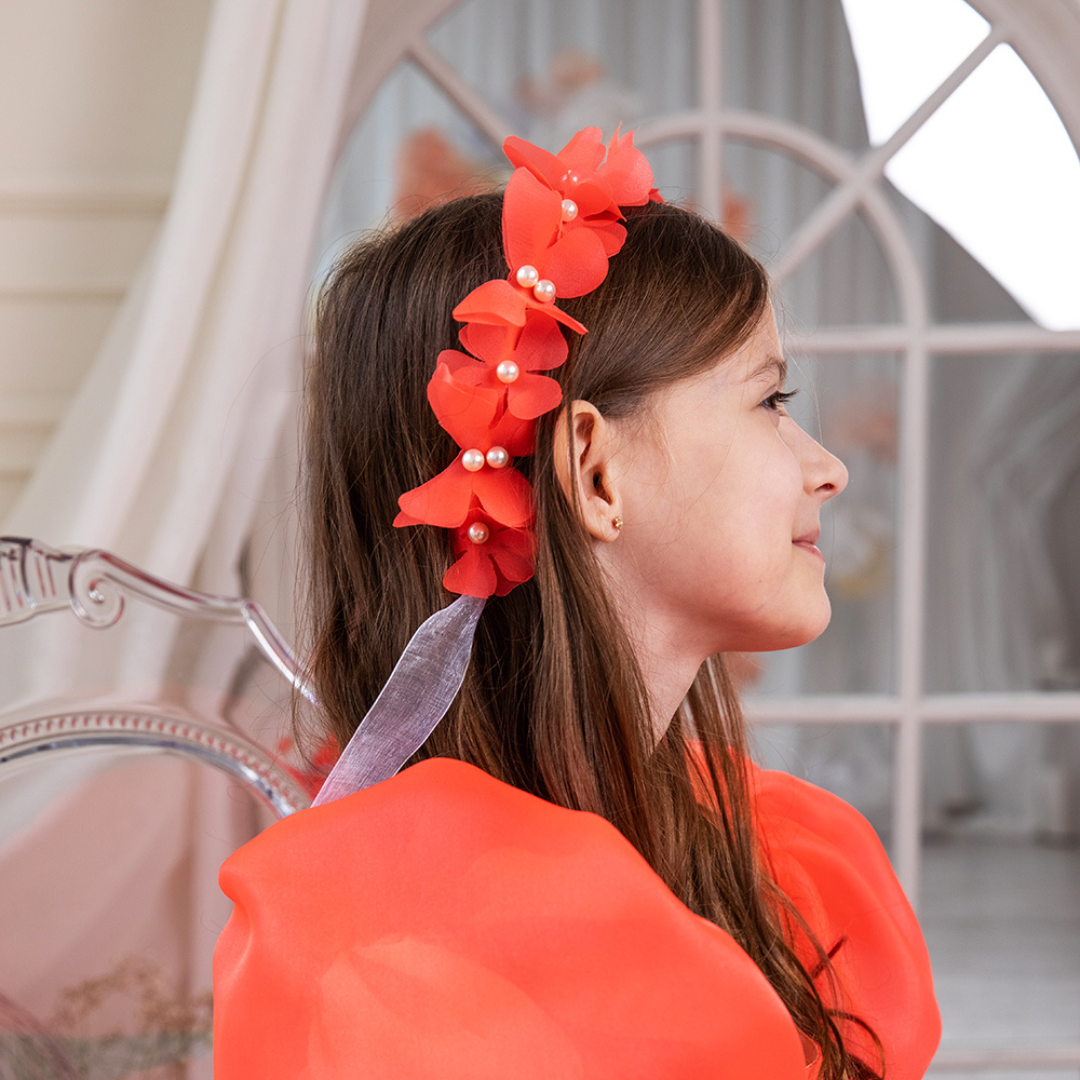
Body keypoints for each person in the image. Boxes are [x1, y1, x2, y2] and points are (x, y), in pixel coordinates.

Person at [213, 129, 940, 1079]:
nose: (829, 468)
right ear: (594, 470)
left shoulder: (774, 852)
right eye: (770, 401)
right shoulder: (402, 971)